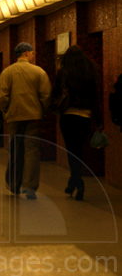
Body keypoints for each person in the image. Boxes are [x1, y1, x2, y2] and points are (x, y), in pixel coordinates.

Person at [0, 42, 52, 200]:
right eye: (32, 53)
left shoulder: (7, 72)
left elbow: (1, 96)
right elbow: (46, 95)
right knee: (32, 151)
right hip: (34, 117)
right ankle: (30, 187)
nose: (33, 55)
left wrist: (5, 110)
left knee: (15, 149)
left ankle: (13, 184)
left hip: (14, 117)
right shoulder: (38, 72)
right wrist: (42, 110)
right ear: (26, 53)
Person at [49, 45, 102, 201]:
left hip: (68, 116)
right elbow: (94, 99)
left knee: (71, 150)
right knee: (78, 150)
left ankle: (77, 181)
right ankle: (74, 181)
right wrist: (98, 121)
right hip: (84, 117)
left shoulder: (63, 73)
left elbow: (56, 93)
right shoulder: (89, 73)